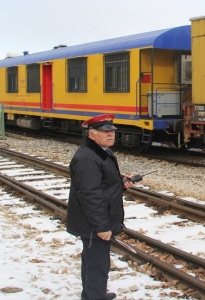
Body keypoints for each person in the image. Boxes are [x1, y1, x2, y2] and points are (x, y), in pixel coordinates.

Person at [66, 114, 136, 300]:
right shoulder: (88, 158)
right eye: (105, 132)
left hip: (95, 219)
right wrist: (102, 226)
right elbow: (90, 195)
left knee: (93, 262)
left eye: (112, 131)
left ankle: (91, 296)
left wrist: (120, 182)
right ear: (91, 134)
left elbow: (100, 183)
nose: (110, 135)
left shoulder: (101, 152)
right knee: (98, 265)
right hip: (93, 223)